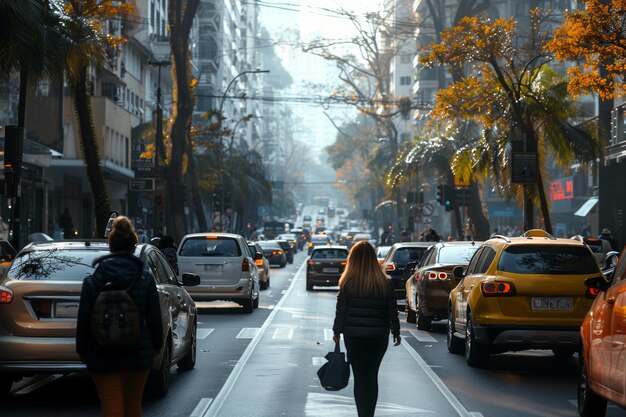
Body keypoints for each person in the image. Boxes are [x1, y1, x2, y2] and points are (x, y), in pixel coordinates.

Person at [76, 216, 163, 417]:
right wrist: (156, 346)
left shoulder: (92, 281)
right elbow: (154, 318)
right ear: (133, 246)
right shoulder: (145, 279)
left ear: (111, 246)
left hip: (101, 352)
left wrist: (82, 350)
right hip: (138, 353)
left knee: (111, 406)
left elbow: (84, 320)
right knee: (133, 407)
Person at [332, 241, 401, 417]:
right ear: (373, 259)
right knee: (372, 376)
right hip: (378, 337)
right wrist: (396, 332)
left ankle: (362, 415)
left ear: (352, 260)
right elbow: (392, 310)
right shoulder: (384, 283)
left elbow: (341, 311)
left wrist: (337, 331)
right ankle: (369, 414)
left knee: (360, 378)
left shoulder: (347, 283)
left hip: (354, 336)